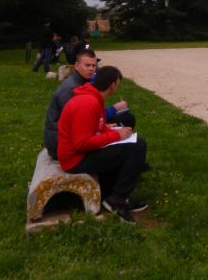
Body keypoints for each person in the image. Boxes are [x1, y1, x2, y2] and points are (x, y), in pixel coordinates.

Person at [57, 65, 148, 222]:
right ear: (113, 85)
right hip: (75, 159)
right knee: (137, 147)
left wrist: (112, 131)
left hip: (78, 154)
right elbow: (82, 143)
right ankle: (116, 200)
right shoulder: (87, 103)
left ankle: (117, 196)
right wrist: (116, 136)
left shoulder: (92, 97)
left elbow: (94, 127)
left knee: (134, 145)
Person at [43, 49, 136, 159]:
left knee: (126, 117)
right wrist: (113, 110)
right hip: (59, 143)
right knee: (126, 119)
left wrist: (103, 125)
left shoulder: (82, 81)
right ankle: (126, 158)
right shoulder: (70, 89)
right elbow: (75, 123)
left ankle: (127, 156)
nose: (92, 69)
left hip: (72, 134)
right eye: (87, 65)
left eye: (94, 65)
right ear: (77, 66)